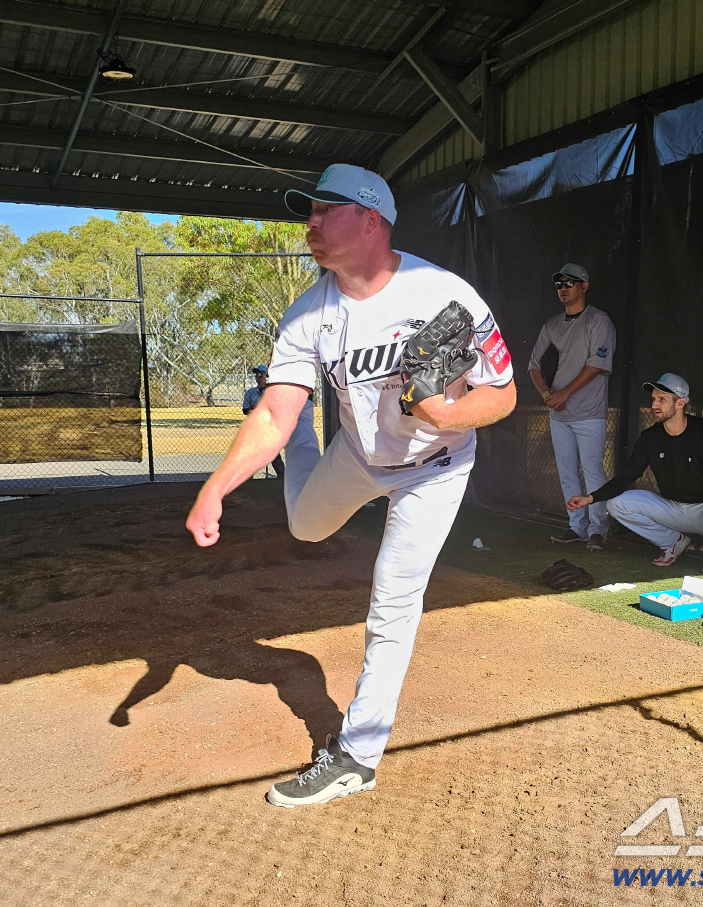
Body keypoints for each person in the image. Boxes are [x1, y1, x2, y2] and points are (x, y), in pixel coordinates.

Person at [185, 163, 516, 807]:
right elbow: (276, 416)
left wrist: (448, 413)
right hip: (358, 456)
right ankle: (304, 438)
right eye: (306, 210)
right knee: (305, 524)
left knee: (393, 603)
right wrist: (216, 486)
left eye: (322, 208)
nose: (308, 221)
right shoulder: (308, 314)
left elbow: (503, 397)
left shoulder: (443, 294)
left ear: (370, 218)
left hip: (436, 468)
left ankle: (356, 756)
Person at [567, 374, 703, 573]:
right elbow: (627, 476)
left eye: (662, 400)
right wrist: (590, 498)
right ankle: (673, 543)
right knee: (616, 504)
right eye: (654, 399)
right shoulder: (650, 437)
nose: (654, 405)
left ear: (680, 402)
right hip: (671, 508)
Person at [528, 263, 616, 552]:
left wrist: (564, 392)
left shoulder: (598, 321)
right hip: (559, 413)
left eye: (570, 283)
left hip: (588, 412)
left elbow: (597, 364)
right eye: (559, 284)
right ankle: (576, 526)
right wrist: (546, 394)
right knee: (567, 471)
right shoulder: (551, 325)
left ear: (584, 286)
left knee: (592, 470)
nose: (563, 288)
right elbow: (534, 365)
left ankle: (598, 529)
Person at [242, 365, 284, 478]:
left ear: (268, 376)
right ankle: (248, 480)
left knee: (274, 455)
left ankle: (283, 479)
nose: (258, 377)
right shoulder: (250, 393)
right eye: (256, 375)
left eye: (261, 375)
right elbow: (245, 410)